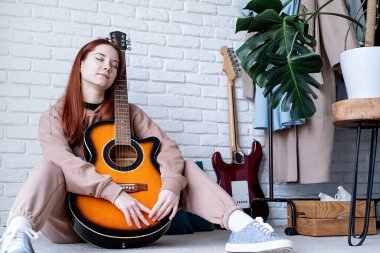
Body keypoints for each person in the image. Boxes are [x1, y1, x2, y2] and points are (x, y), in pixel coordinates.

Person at [0, 38, 293, 253]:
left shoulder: (131, 112)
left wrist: (170, 185)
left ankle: (242, 226)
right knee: (48, 166)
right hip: (74, 221)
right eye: (100, 59)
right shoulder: (54, 115)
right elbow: (63, 161)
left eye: (114, 64)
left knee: (185, 167)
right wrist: (113, 193)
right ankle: (16, 238)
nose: (108, 67)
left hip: (141, 216)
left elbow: (167, 148)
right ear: (80, 63)